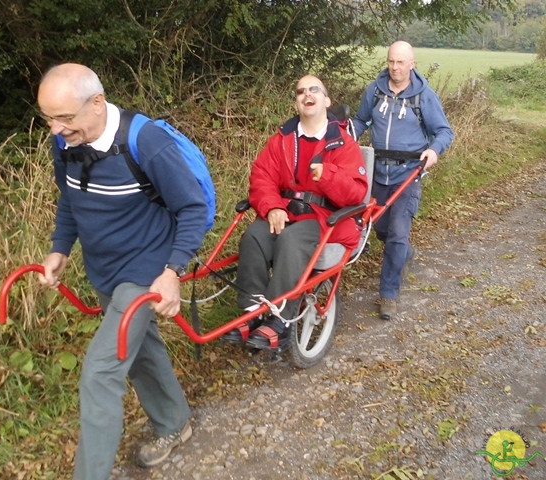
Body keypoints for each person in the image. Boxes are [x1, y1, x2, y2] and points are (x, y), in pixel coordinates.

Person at [36, 63, 207, 479]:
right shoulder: (66, 142)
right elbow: (71, 198)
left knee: (100, 372)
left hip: (145, 271)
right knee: (140, 349)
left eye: (65, 118)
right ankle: (174, 421)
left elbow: (192, 207)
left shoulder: (145, 142)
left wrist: (172, 271)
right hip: (104, 270)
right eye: (48, 119)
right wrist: (60, 248)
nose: (56, 129)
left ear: (97, 103)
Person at [223, 75, 369, 349]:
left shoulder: (343, 144)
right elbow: (262, 177)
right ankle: (251, 311)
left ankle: (280, 318)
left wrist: (328, 175)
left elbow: (355, 193)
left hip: (327, 219)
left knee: (291, 241)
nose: (307, 94)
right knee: (254, 235)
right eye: (301, 91)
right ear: (297, 102)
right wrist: (273, 206)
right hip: (288, 212)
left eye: (314, 89)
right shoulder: (282, 140)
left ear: (326, 100)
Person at [353, 41, 454, 320]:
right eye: (391, 62)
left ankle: (388, 294)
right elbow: (360, 122)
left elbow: (444, 131)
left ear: (412, 64)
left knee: (397, 231)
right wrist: (344, 138)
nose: (395, 68)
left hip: (407, 174)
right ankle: (405, 253)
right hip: (376, 172)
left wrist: (433, 150)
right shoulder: (374, 91)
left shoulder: (425, 97)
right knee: (381, 229)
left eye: (400, 63)